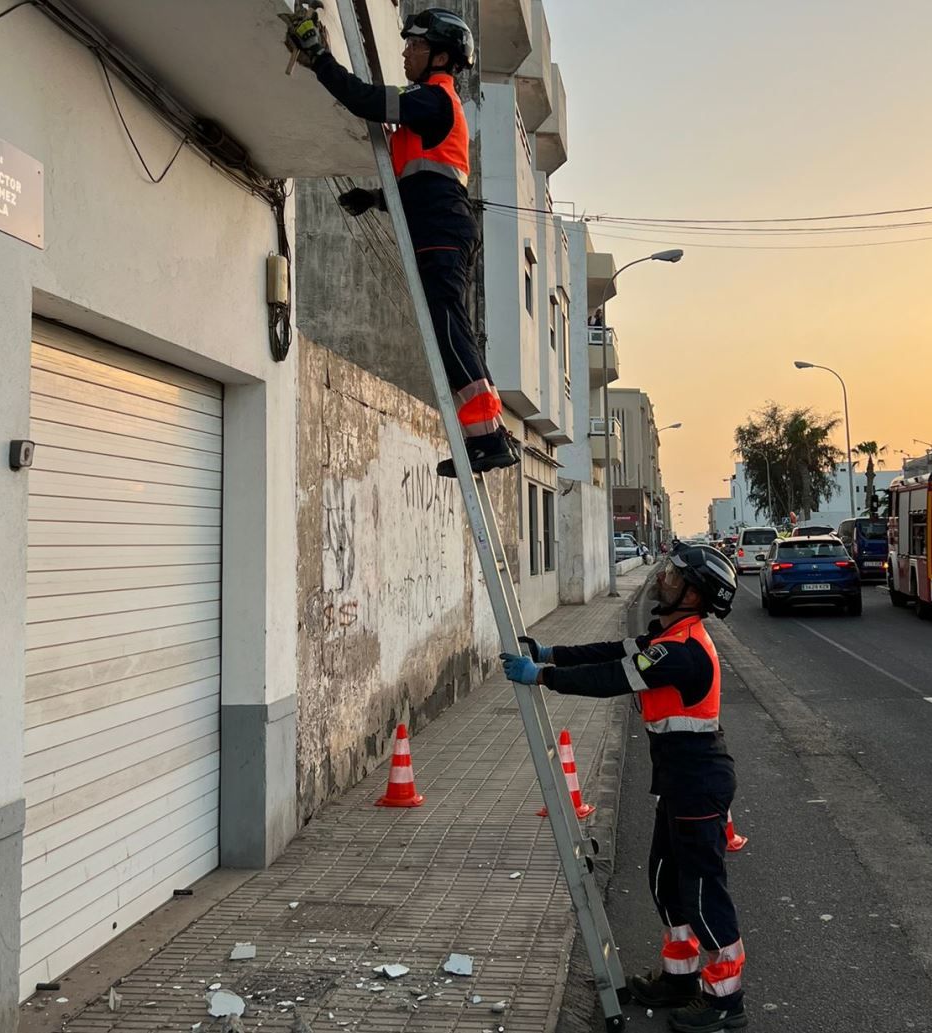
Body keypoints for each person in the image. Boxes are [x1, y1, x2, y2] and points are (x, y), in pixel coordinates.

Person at [500, 544, 747, 1032]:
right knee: (665, 880)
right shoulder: (670, 636)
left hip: (698, 784)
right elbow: (613, 651)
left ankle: (725, 1000)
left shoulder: (684, 651)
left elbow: (614, 676)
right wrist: (551, 651)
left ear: (693, 594)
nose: (663, 579)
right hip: (679, 783)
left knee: (700, 892)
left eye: (674, 577)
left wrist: (544, 677)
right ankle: (681, 977)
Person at [286, 6, 520, 477]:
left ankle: (488, 438)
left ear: (439, 55)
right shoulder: (431, 106)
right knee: (452, 329)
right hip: (439, 222)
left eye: (414, 45)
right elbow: (422, 183)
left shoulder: (433, 100)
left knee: (447, 328)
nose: (406, 52)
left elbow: (365, 100)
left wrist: (319, 57)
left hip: (440, 228)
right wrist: (375, 197)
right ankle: (489, 435)